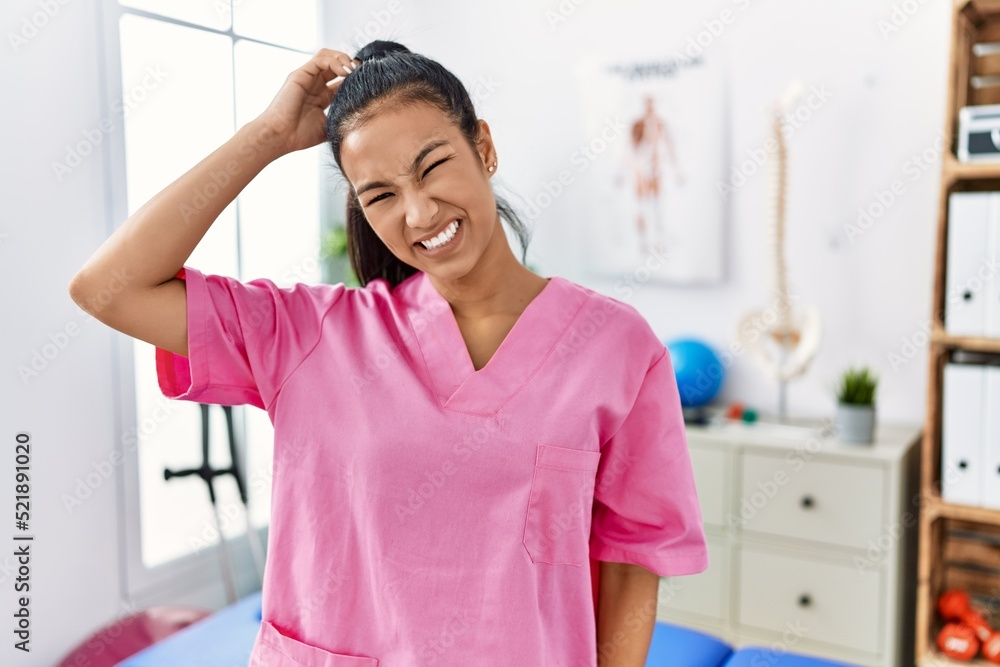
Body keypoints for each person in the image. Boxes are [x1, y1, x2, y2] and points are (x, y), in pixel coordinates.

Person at [68, 40, 708, 667]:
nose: (420, 211)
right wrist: (266, 135)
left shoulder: (616, 348)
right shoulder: (309, 334)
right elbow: (106, 288)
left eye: (433, 167)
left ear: (483, 146)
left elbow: (633, 559)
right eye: (380, 195)